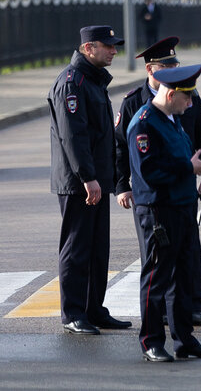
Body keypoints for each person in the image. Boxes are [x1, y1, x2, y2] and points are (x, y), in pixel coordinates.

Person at [114, 36, 201, 326]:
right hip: (154, 197)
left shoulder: (189, 96)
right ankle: (158, 313)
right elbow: (121, 147)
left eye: (175, 64)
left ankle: (191, 308)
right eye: (166, 67)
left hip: (182, 192)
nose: (174, 70)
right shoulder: (136, 103)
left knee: (188, 251)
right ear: (151, 71)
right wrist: (121, 185)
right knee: (156, 255)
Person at [127, 64, 201, 362]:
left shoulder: (171, 119)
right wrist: (189, 167)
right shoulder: (144, 123)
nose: (191, 103)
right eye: (187, 97)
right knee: (157, 278)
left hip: (181, 209)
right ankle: (151, 341)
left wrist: (200, 165)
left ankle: (185, 340)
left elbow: (182, 156)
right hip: (159, 212)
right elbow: (149, 172)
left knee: (183, 277)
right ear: (170, 94)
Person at [47, 25, 132, 335]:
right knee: (77, 247)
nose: (114, 51)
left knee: (98, 248)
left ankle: (94, 309)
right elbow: (73, 136)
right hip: (79, 183)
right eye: (107, 46)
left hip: (97, 180)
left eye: (114, 46)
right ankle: (72, 312)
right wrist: (88, 177)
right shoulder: (72, 83)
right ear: (88, 48)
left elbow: (95, 131)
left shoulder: (93, 82)